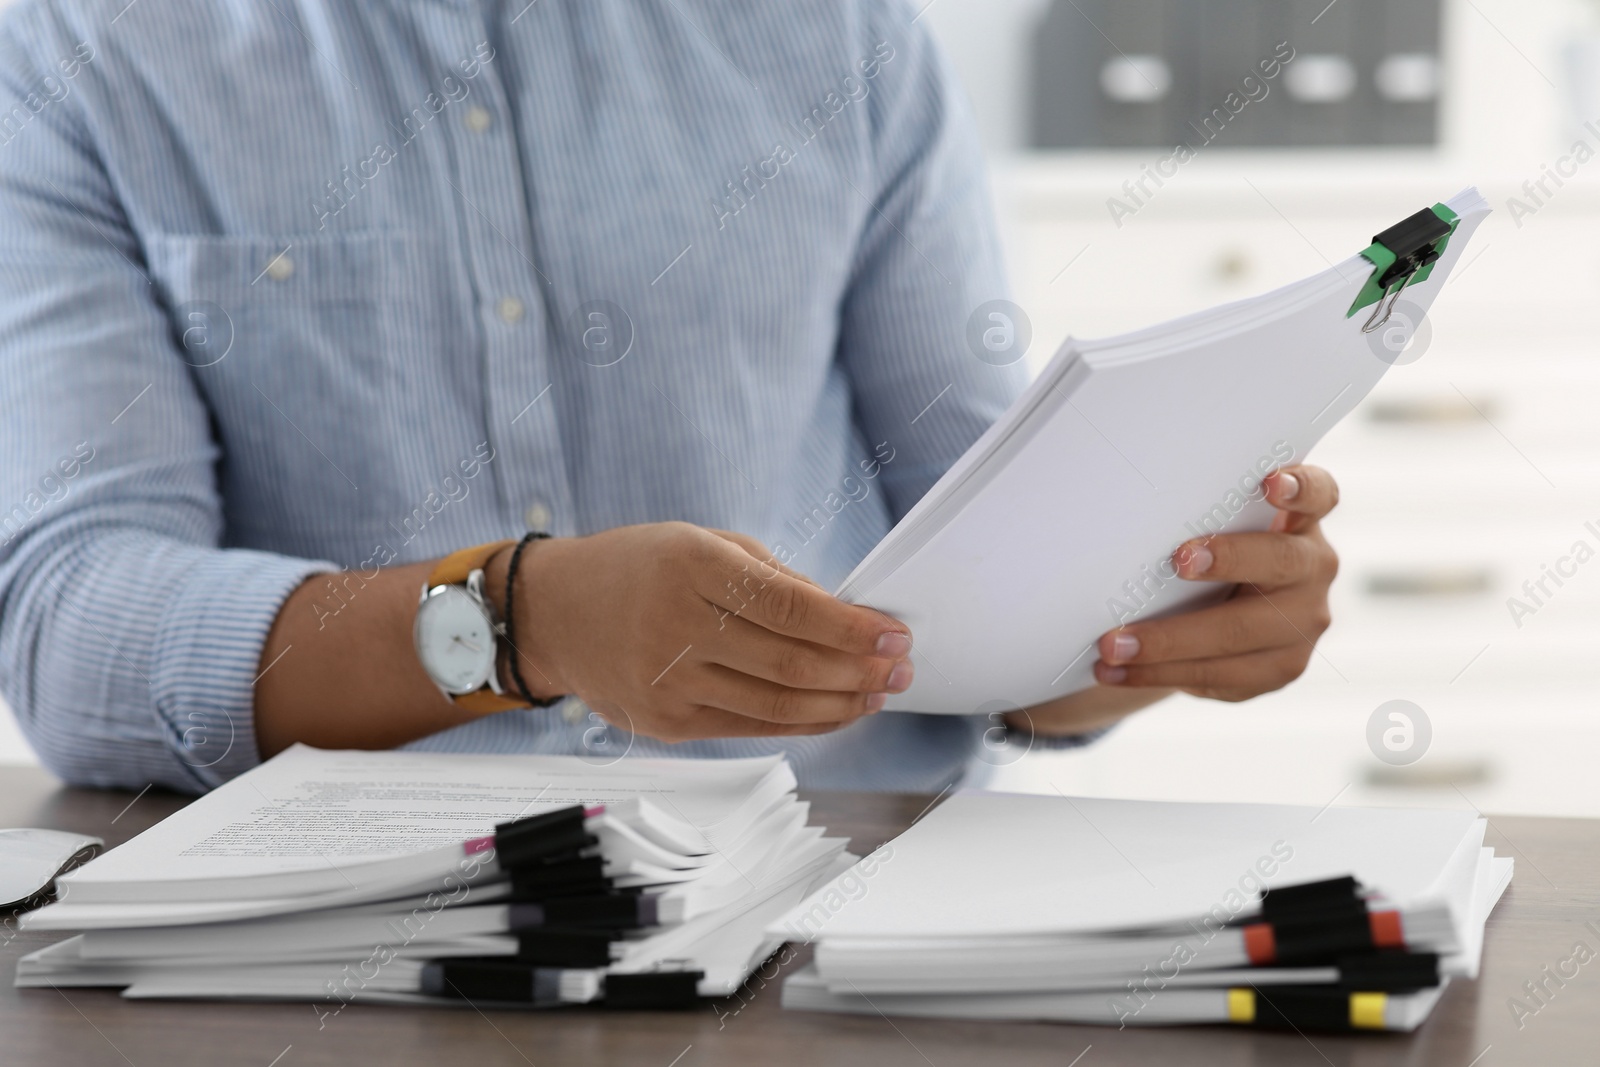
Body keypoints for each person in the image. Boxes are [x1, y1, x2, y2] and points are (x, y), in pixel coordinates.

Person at [0, 0, 1339, 795]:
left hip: (837, 916)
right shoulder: (72, 50)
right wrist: (511, 620)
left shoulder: (838, 29)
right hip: (337, 955)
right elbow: (69, 630)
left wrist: (1143, 619)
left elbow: (968, 556)